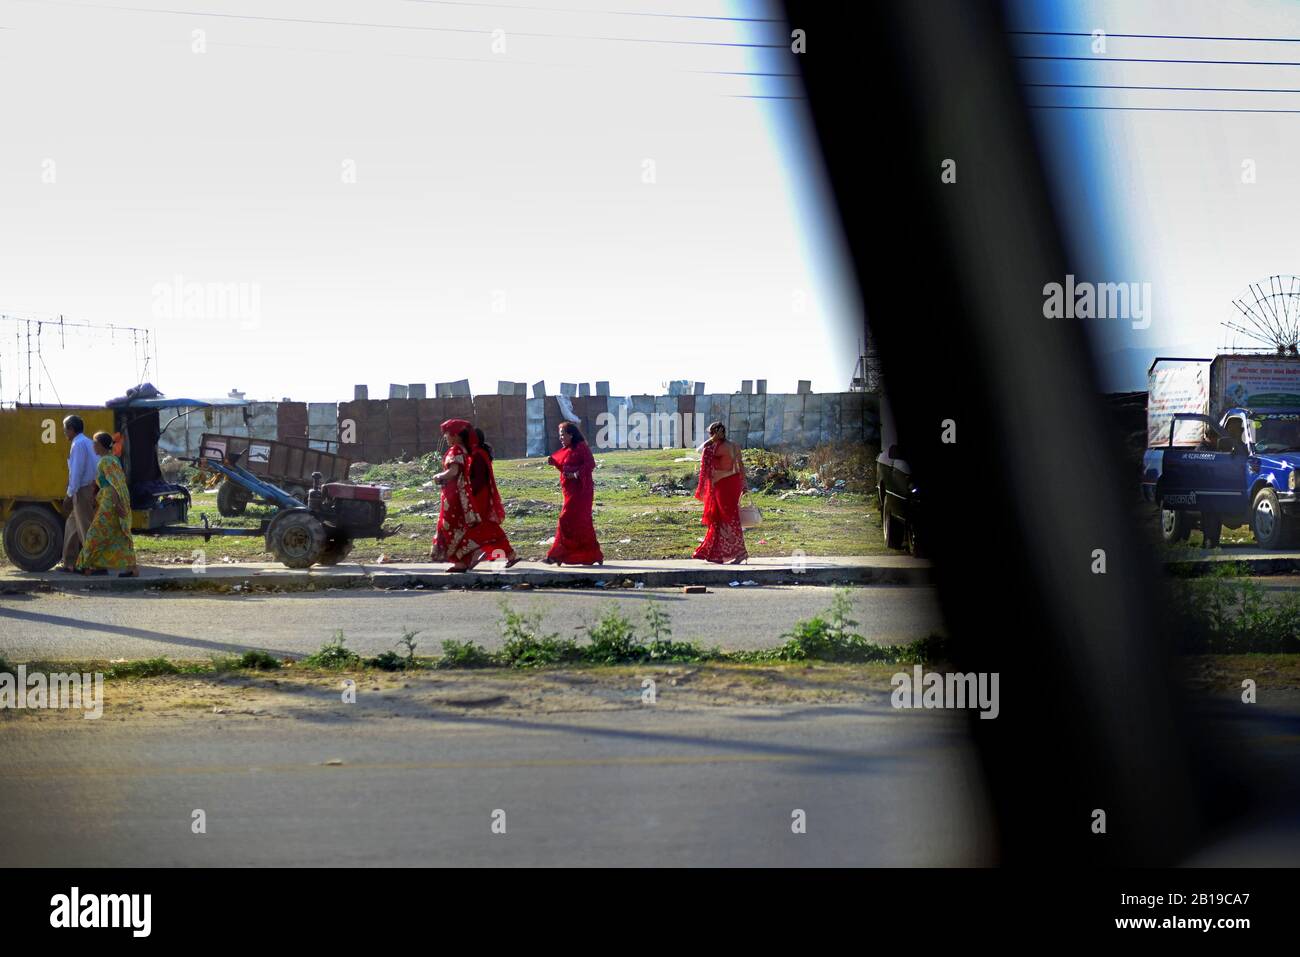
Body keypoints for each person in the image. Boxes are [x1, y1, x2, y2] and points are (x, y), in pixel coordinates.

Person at [75, 432, 139, 577]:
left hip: (110, 503)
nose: (93, 446)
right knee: (120, 535)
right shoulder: (112, 459)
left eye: (95, 443)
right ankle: (131, 568)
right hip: (108, 500)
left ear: (101, 445)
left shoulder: (106, 461)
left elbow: (113, 485)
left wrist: (117, 505)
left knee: (95, 533)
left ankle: (89, 566)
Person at [543, 421, 603, 566]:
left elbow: (590, 464)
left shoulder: (581, 447)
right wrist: (555, 463)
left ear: (571, 434)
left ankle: (556, 555)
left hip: (581, 491)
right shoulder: (567, 450)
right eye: (560, 435)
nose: (561, 438)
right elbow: (565, 469)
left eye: (563, 434)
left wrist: (576, 474)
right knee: (581, 523)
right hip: (570, 491)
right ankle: (591, 555)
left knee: (565, 519)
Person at [459, 427, 519, 571]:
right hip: (479, 494)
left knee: (479, 525)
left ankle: (475, 555)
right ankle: (508, 554)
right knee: (485, 526)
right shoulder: (477, 453)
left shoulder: (478, 455)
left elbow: (478, 480)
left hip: (478, 495)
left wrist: (468, 493)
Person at [693, 420, 748, 564]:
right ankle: (717, 551)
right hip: (721, 485)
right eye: (711, 434)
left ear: (721, 432)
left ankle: (741, 552)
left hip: (727, 484)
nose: (712, 436)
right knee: (718, 518)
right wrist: (713, 439)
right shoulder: (713, 446)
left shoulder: (726, 447)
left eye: (713, 433)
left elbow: (739, 465)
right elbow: (698, 450)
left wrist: (744, 485)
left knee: (730, 518)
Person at [430, 418, 478, 566]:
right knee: (459, 524)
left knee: (449, 525)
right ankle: (465, 559)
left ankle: (460, 561)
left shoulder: (455, 450)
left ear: (456, 435)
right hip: (460, 492)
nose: (445, 438)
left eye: (447, 434)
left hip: (453, 494)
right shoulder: (464, 449)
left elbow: (453, 471)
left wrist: (438, 476)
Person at [58, 415, 99, 573]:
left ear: (72, 429)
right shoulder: (87, 442)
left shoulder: (78, 444)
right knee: (71, 525)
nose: (64, 433)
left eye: (65, 430)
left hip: (81, 490)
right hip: (88, 488)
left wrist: (70, 493)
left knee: (84, 528)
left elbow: (76, 472)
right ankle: (69, 563)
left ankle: (92, 564)